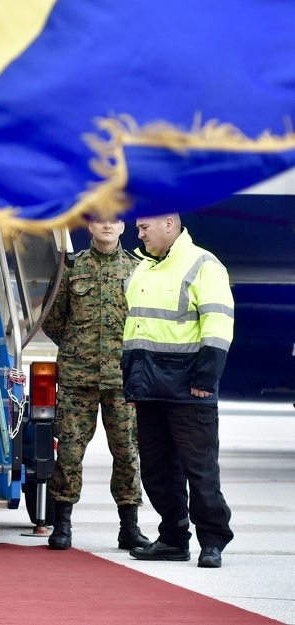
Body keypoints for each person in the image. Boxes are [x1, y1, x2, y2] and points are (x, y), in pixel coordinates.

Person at [122, 213, 235, 569]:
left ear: (169, 223)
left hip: (189, 389)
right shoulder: (143, 269)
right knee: (156, 470)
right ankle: (173, 537)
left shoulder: (203, 264)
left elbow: (217, 326)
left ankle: (212, 540)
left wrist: (205, 379)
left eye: (144, 228)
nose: (139, 234)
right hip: (148, 385)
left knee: (199, 469)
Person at [40, 218, 149, 551]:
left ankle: (129, 526)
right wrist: (76, 345)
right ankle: (62, 525)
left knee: (128, 453)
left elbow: (146, 321)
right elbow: (52, 319)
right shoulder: (71, 268)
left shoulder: (139, 269)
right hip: (78, 378)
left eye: (113, 220)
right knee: (70, 453)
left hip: (122, 379)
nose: (106, 225)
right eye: (99, 219)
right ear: (89, 226)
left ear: (122, 226)